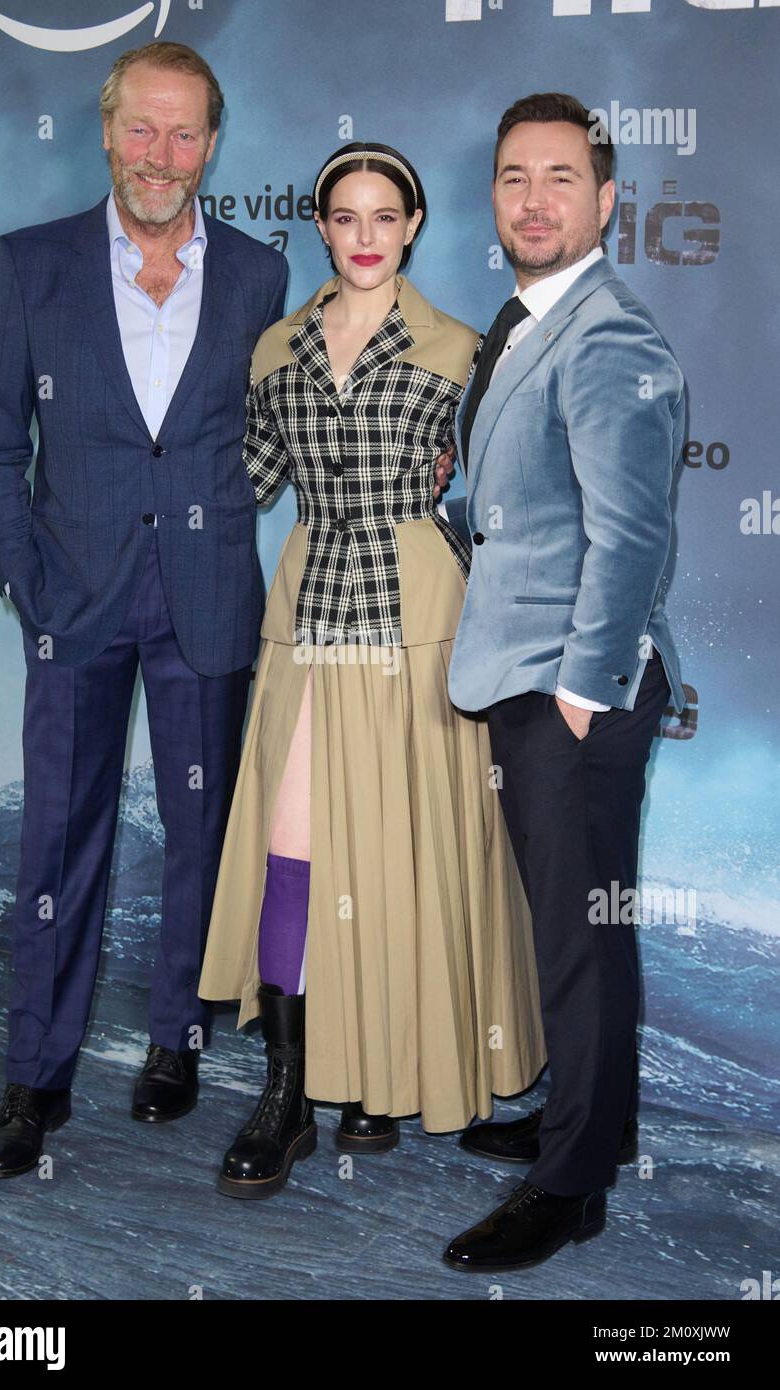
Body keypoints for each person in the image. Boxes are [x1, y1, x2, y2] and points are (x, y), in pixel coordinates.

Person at [198, 142, 546, 1199]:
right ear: (320, 226)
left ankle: (379, 1083)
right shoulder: (273, 351)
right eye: (343, 216)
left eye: (381, 216)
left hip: (418, 609)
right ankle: (289, 1093)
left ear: (411, 225)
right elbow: (243, 480)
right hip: (311, 607)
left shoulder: (454, 350)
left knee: (402, 850)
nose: (362, 235)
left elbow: (499, 497)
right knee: (293, 848)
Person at [0, 41, 287, 1179]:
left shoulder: (257, 274)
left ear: (212, 143)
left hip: (205, 601)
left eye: (185, 132)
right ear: (107, 131)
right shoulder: (30, 263)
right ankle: (34, 1075)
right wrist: (23, 578)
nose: (162, 155)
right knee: (57, 837)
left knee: (201, 836)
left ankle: (175, 1040)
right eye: (142, 129)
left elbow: (269, 435)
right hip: (74, 600)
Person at [441, 93, 687, 1271]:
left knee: (578, 940)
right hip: (527, 678)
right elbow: (521, 501)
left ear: (600, 200)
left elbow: (632, 536)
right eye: (510, 178)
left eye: (557, 177)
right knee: (579, 930)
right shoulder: (528, 318)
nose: (531, 199)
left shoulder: (607, 336)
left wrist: (583, 689)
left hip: (569, 690)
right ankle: (591, 1119)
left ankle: (569, 1186)